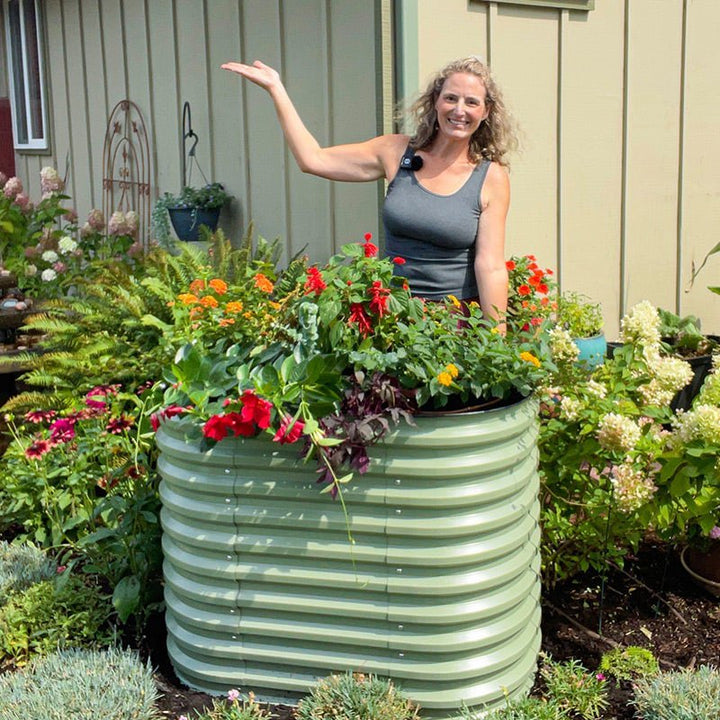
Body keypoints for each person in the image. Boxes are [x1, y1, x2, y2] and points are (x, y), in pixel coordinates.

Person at [221, 56, 516, 325]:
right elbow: (313, 159)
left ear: (486, 111)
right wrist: (277, 90)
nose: (459, 110)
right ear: (436, 102)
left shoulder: (490, 178)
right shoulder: (396, 151)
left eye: (471, 102)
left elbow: (489, 265)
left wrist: (495, 339)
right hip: (391, 314)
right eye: (451, 98)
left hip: (454, 322)